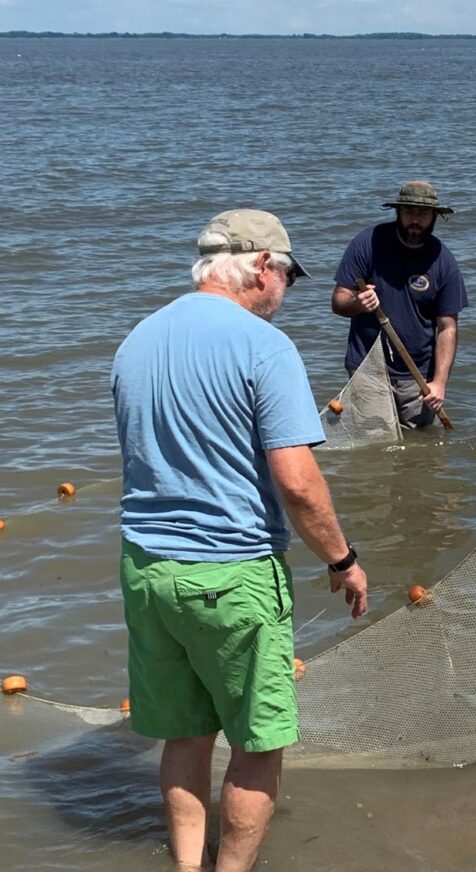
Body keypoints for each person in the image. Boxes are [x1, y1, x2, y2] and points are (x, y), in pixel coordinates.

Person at [111, 209, 368, 872]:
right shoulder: (263, 346)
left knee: (184, 734)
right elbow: (298, 482)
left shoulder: (136, 339)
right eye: (286, 275)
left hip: (146, 569)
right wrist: (342, 559)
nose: (285, 291)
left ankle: (186, 866)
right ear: (261, 266)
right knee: (258, 742)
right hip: (230, 572)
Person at [331, 180, 468, 428]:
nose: (415, 219)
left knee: (420, 451)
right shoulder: (368, 243)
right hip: (367, 368)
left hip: (418, 376)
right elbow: (339, 301)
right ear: (398, 212)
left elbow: (447, 327)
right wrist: (358, 303)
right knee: (373, 446)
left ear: (435, 216)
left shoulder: (444, 261)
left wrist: (439, 383)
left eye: (423, 213)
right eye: (409, 212)